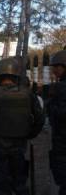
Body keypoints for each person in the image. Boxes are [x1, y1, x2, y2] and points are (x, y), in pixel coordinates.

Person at [0, 57, 44, 195]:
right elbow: (40, 118)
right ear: (15, 76)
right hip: (20, 143)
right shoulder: (28, 94)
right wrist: (30, 133)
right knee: (20, 179)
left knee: (2, 182)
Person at [48, 50, 66, 195]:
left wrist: (50, 104)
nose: (54, 70)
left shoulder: (61, 87)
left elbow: (60, 115)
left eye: (57, 67)